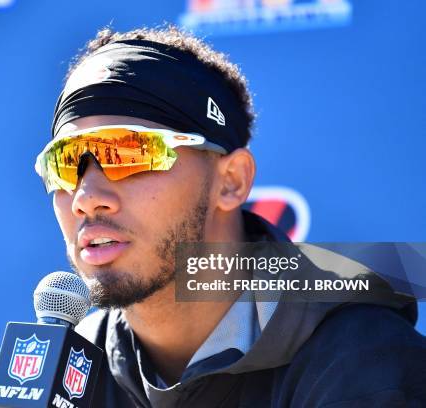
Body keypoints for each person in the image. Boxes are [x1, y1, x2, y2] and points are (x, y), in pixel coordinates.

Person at [35, 26, 426, 407]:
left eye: (127, 153)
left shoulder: (359, 360)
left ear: (231, 182)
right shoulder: (70, 369)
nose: (85, 198)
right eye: (64, 164)